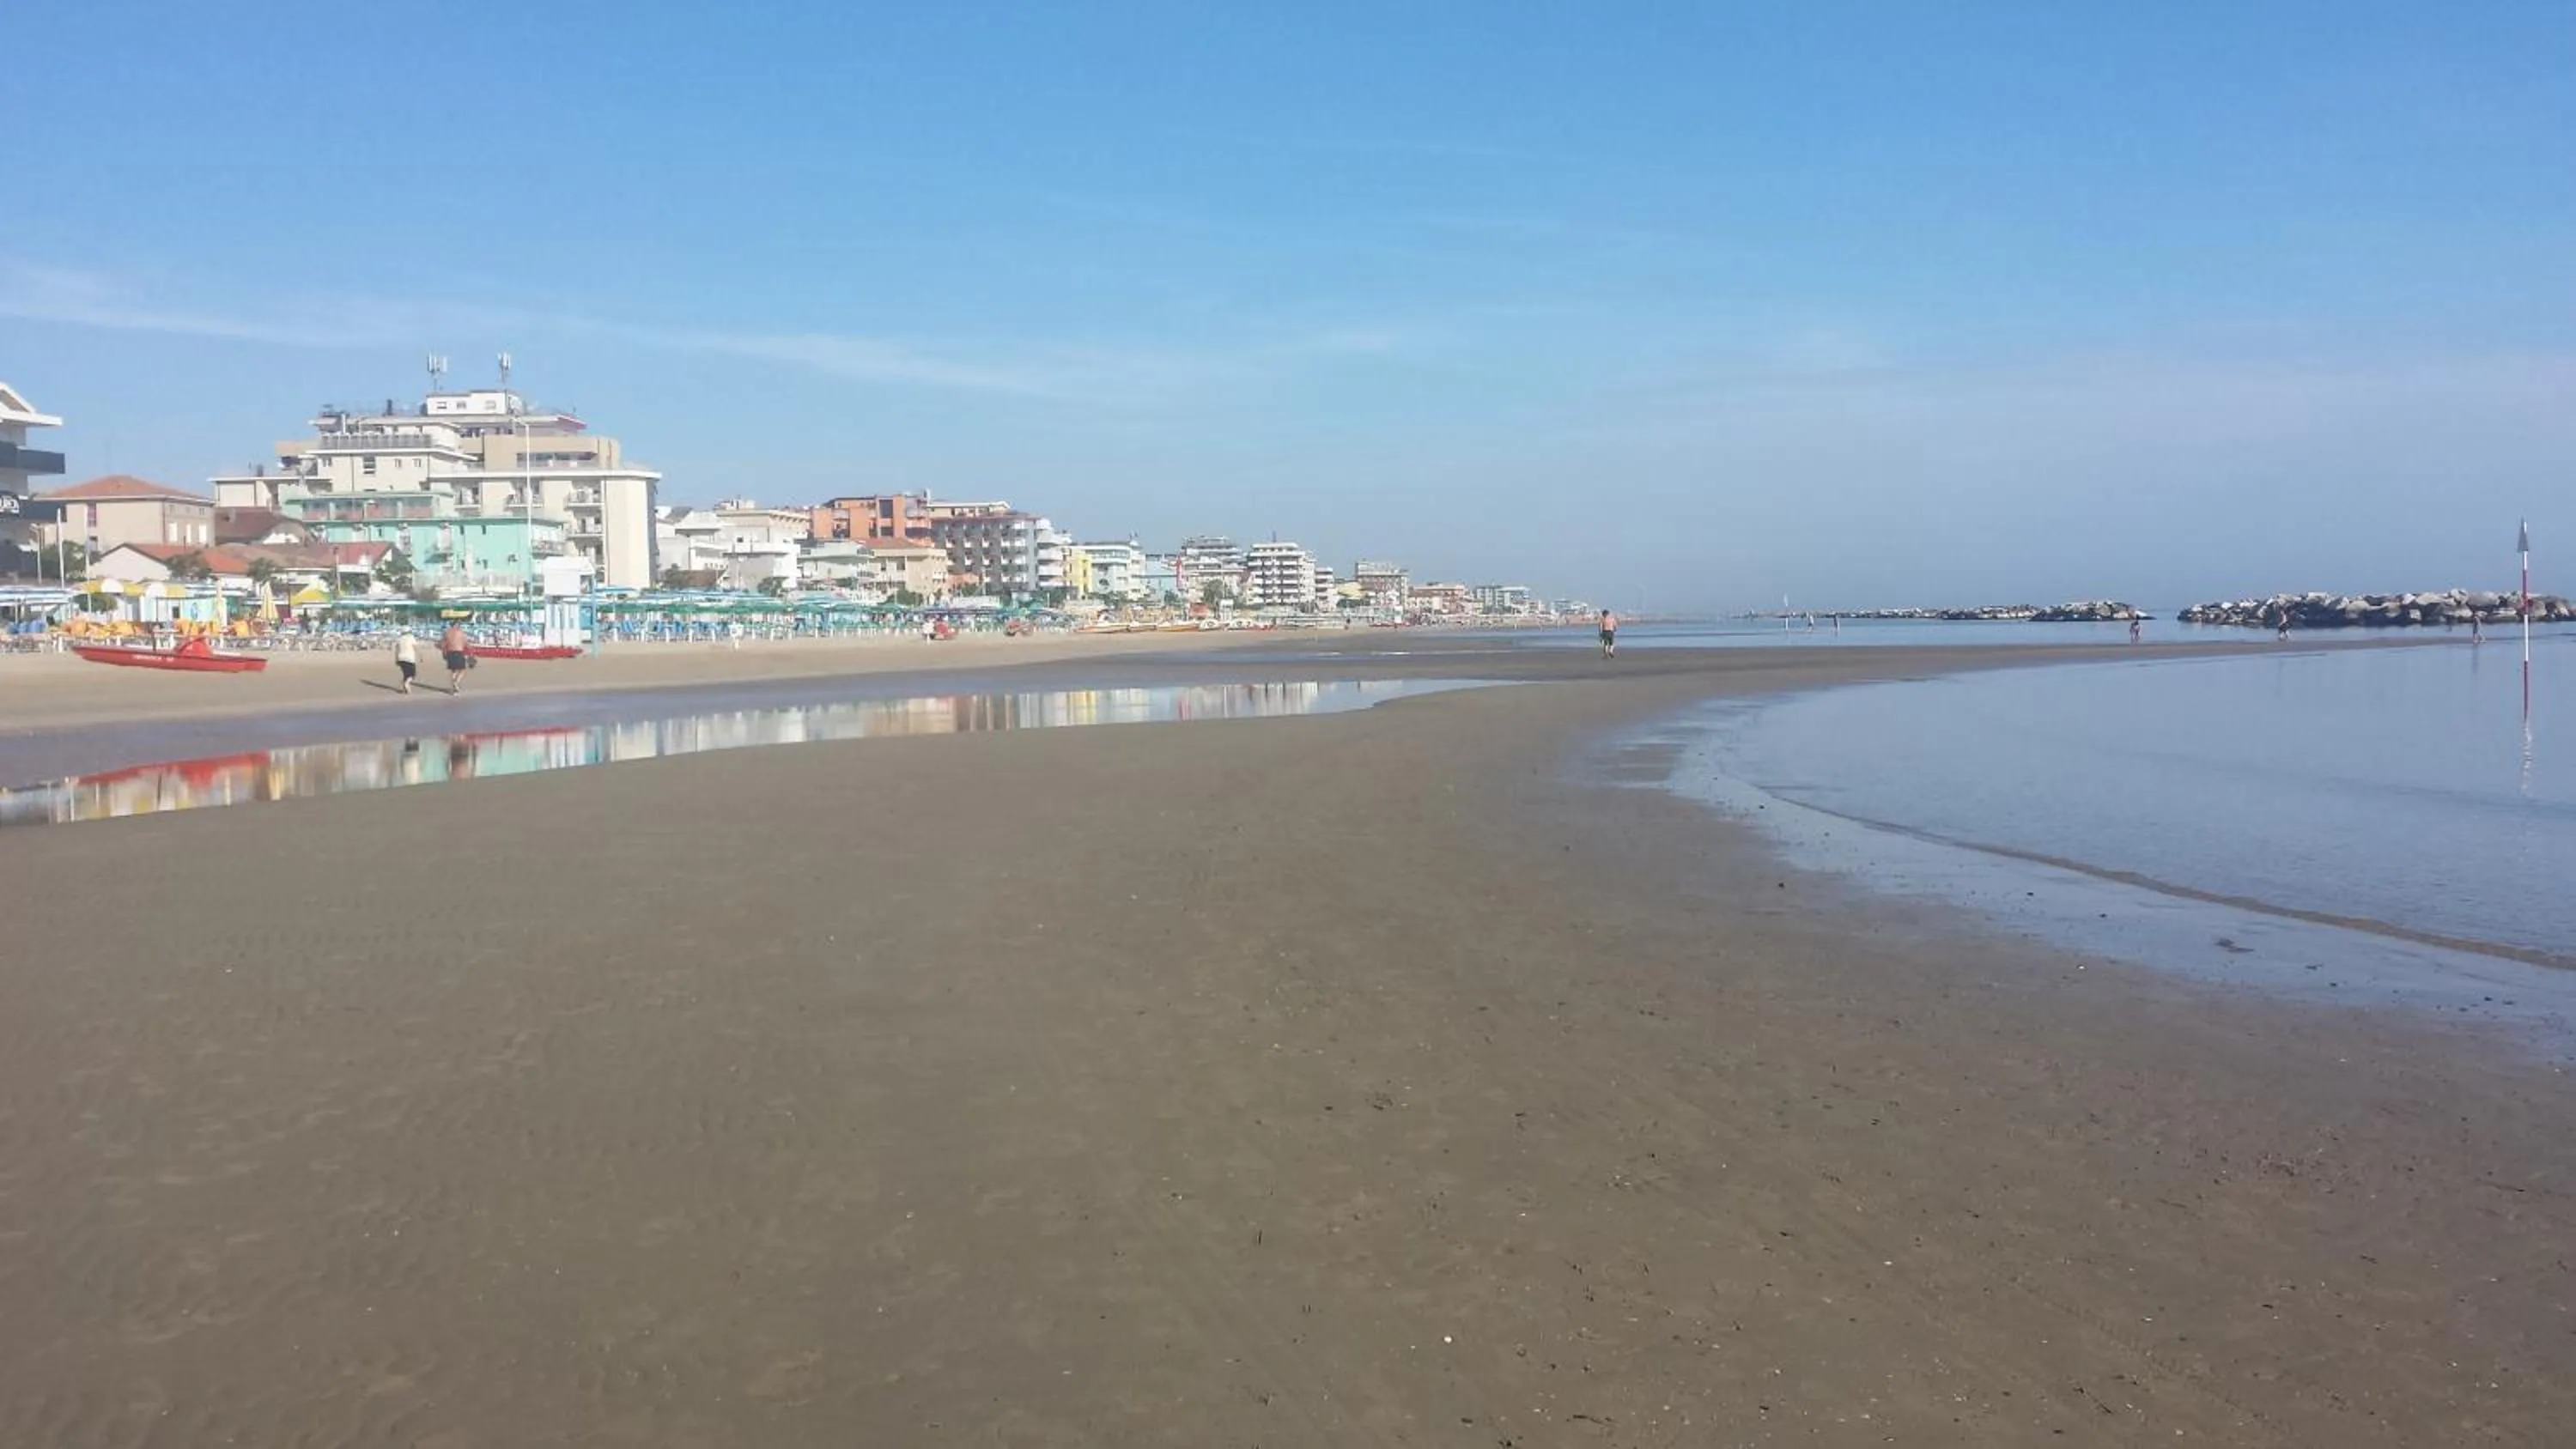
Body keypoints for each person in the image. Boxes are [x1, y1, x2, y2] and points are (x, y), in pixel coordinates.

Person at [439, 620, 472, 693]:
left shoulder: (447, 632)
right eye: (459, 624)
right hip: (458, 652)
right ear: (456, 625)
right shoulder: (460, 632)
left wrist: (443, 653)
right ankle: (456, 682)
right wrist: (471, 650)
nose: (459, 626)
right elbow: (466, 642)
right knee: (462, 670)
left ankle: (455, 688)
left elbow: (442, 644)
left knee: (453, 670)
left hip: (450, 653)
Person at [393, 629, 421, 694]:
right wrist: (420, 656)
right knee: (412, 675)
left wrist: (396, 659)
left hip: (401, 658)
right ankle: (406, 684)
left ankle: (405, 689)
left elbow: (397, 650)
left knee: (405, 674)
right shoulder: (411, 638)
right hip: (409, 659)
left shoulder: (399, 639)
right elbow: (415, 647)